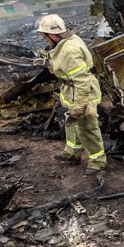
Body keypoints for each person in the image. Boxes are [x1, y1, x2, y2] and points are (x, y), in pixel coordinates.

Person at [36, 14, 106, 175]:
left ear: (52, 34)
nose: (44, 40)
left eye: (44, 36)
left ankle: (98, 162)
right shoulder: (67, 40)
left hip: (82, 93)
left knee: (87, 128)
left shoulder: (70, 51)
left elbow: (82, 81)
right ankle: (72, 153)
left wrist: (80, 105)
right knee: (72, 123)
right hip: (71, 91)